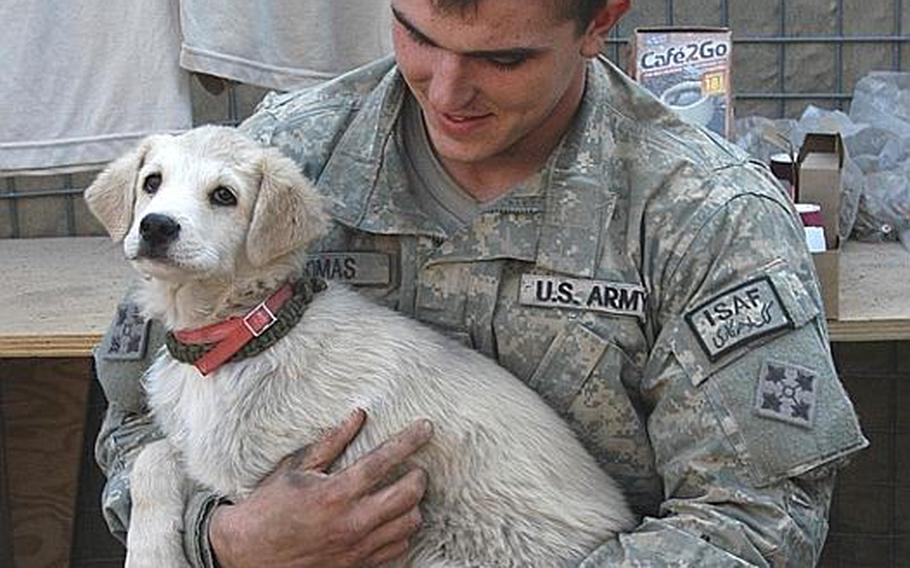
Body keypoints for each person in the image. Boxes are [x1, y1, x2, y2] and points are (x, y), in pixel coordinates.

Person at [94, 0, 868, 566]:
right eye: (419, 34)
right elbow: (135, 419)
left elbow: (758, 520)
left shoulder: (707, 215)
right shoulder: (276, 158)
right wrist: (225, 538)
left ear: (600, 22)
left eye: (504, 59)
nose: (446, 91)